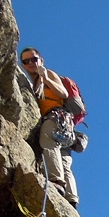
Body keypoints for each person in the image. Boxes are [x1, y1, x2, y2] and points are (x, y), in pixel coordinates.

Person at [20, 47, 79, 206]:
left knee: (48, 142)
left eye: (34, 59)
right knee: (64, 160)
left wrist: (45, 77)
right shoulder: (35, 83)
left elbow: (63, 93)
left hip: (57, 118)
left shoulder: (47, 74)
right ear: (23, 65)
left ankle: (56, 181)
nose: (31, 63)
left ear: (41, 60)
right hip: (66, 127)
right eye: (26, 61)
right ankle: (72, 199)